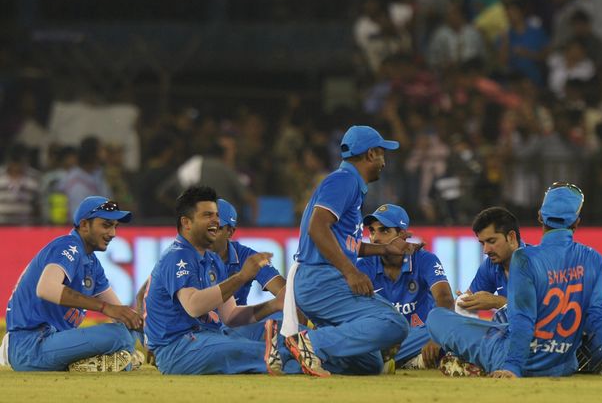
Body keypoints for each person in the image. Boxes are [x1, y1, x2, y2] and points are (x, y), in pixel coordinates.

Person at [427, 182, 602, 377]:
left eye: (490, 241)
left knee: (437, 317)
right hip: (562, 364)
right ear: (577, 222)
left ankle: (469, 362)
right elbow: (601, 315)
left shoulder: (524, 259)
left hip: (517, 357)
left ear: (540, 217)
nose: (486, 249)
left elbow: (523, 318)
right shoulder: (594, 259)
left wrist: (512, 367)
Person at [282, 125, 419, 377]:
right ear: (369, 155)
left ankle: (284, 357)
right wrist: (351, 273)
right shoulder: (343, 180)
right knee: (394, 323)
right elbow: (317, 227)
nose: (384, 163)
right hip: (321, 279)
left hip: (320, 279)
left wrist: (384, 248)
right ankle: (306, 343)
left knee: (368, 364)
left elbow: (346, 244)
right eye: (381, 154)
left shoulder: (346, 184)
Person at [142, 186, 298, 375]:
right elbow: (193, 306)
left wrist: (274, 304)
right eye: (207, 215)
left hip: (207, 338)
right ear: (186, 223)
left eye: (216, 215)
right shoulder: (177, 256)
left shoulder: (212, 259)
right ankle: (310, 360)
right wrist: (241, 277)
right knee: (266, 352)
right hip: (178, 349)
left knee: (278, 340)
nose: (215, 220)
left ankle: (313, 352)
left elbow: (230, 316)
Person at [4, 196, 142, 371]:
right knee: (120, 337)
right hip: (31, 345)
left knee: (127, 331)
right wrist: (103, 307)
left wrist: (158, 341)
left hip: (50, 344)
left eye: (115, 226)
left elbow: (122, 313)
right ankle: (99, 360)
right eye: (106, 225)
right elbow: (46, 289)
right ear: (84, 225)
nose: (113, 234)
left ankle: (92, 362)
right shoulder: (67, 246)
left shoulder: (91, 262)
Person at [356, 204, 454, 369]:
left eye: (384, 230)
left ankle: (385, 360)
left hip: (421, 338)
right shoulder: (364, 266)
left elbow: (444, 298)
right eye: (372, 231)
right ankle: (410, 362)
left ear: (402, 234)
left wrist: (437, 337)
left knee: (452, 326)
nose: (375, 238)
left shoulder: (424, 260)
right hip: (383, 338)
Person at [455, 207, 522, 323]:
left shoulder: (536, 263)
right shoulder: (490, 265)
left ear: (511, 237)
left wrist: (497, 302)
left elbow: (542, 311)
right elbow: (469, 298)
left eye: (492, 241)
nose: (485, 250)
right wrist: (464, 302)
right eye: (482, 243)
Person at [213, 198, 285, 304]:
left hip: (236, 319)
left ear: (230, 232)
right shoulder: (187, 255)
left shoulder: (246, 256)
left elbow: (285, 294)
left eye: (216, 227)